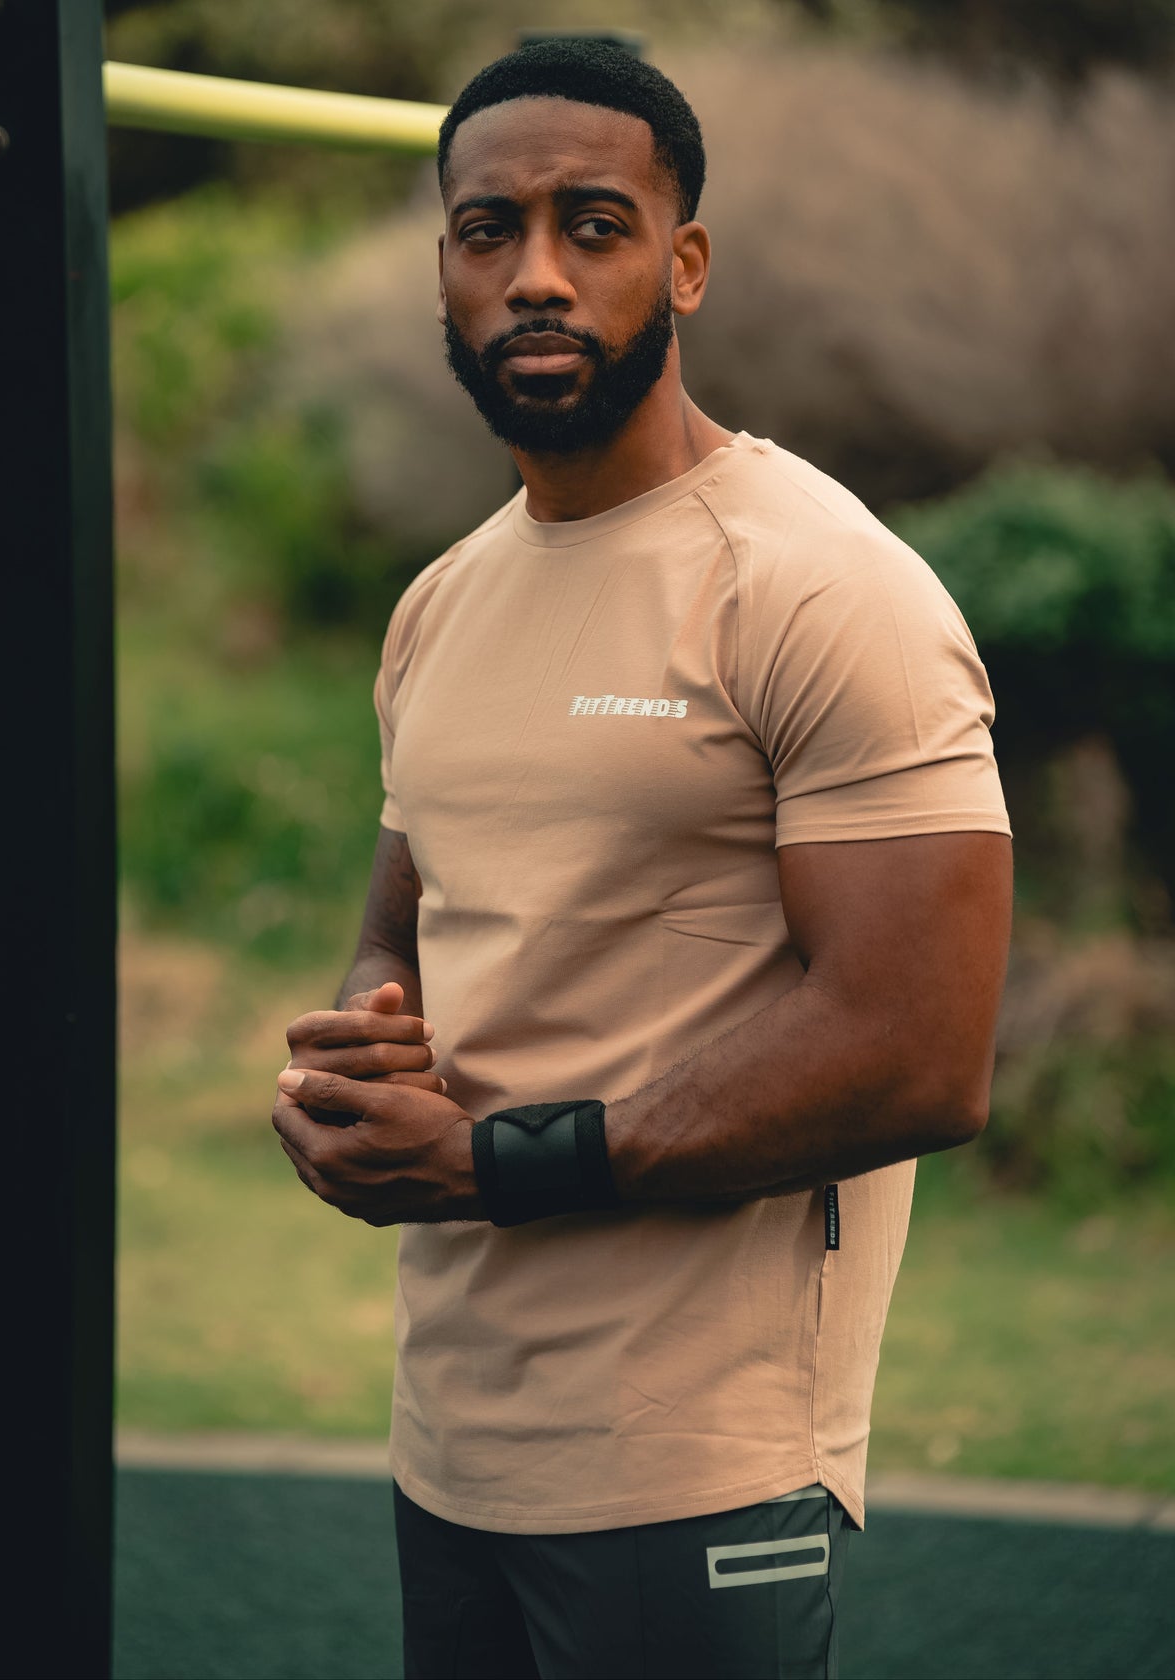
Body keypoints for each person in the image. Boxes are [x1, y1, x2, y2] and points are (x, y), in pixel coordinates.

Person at [272, 39, 1013, 1680]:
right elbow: (404, 934)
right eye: (488, 230)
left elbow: (920, 1052)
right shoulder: (442, 603)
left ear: (683, 264)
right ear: (444, 273)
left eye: (591, 224)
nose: (535, 273)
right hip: (452, 1439)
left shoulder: (823, 587)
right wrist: (345, 1073)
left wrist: (486, 1164)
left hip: (696, 1463)